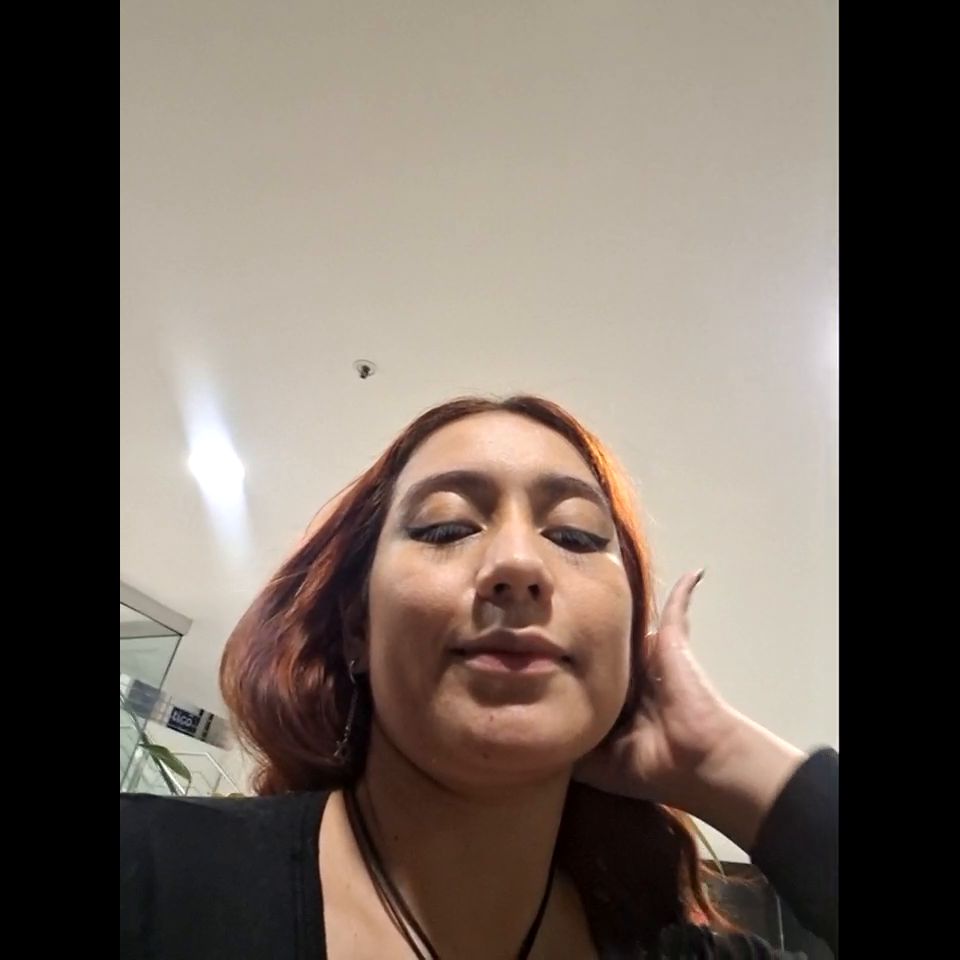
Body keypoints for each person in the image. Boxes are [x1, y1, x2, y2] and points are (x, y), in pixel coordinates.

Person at [120, 394, 838, 959]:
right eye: (446, 527)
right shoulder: (150, 873)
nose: (519, 565)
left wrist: (724, 761)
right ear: (357, 628)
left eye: (575, 535)